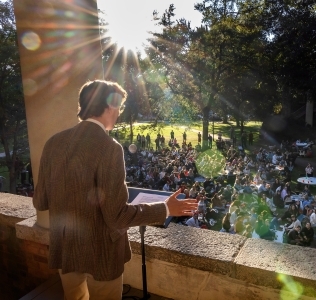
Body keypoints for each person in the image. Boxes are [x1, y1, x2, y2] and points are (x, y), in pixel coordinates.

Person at [32, 80, 197, 300]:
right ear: (109, 107)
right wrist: (165, 209)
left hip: (65, 246)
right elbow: (117, 216)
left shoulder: (53, 142)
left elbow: (40, 201)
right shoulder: (109, 148)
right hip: (102, 252)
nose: (119, 113)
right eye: (118, 107)